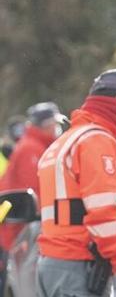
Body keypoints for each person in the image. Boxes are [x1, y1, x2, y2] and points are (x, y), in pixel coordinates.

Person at [36, 69, 116, 297]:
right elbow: (105, 216)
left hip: (52, 265)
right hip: (79, 268)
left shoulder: (65, 142)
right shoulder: (98, 142)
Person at [0, 103, 67, 253]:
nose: (57, 129)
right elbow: (37, 192)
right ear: (46, 125)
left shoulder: (35, 146)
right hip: (20, 230)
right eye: (55, 124)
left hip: (21, 228)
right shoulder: (31, 149)